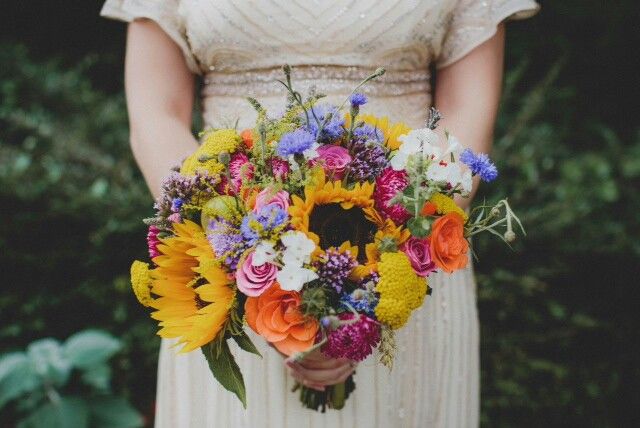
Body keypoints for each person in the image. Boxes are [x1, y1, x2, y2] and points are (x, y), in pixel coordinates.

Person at [101, 1, 539, 426]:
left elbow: (464, 117)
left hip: (405, 261)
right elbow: (157, 115)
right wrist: (242, 262)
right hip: (229, 272)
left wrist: (379, 277)